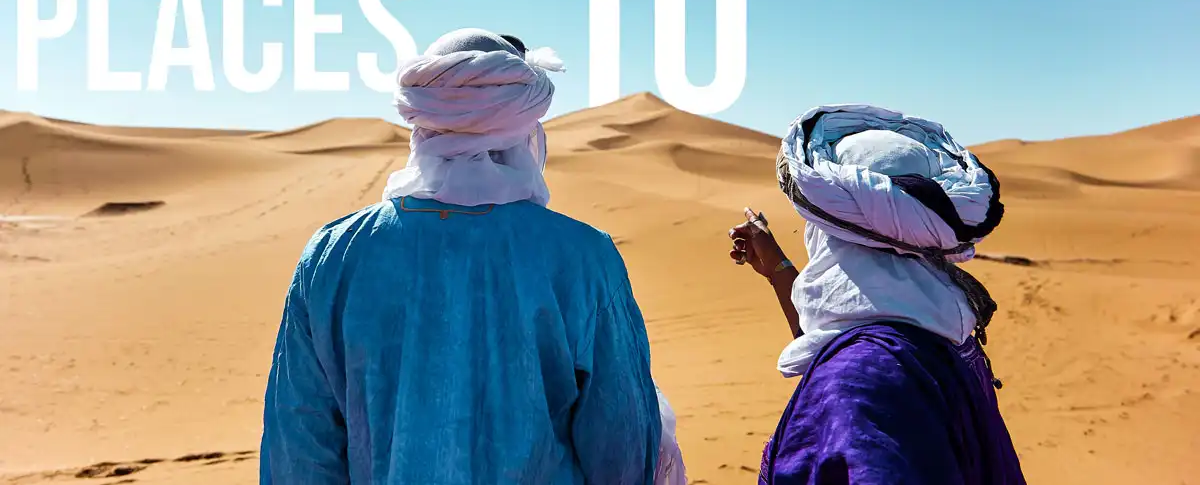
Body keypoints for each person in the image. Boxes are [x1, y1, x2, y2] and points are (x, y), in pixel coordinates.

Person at [260, 28, 681, 484]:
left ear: (421, 122)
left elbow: (299, 451)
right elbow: (623, 449)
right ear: (523, 130)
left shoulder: (332, 255)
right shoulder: (583, 257)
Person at [728, 105, 1026, 485]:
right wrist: (778, 271)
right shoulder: (939, 332)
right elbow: (854, 342)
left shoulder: (858, 382)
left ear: (830, 230)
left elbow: (857, 374)